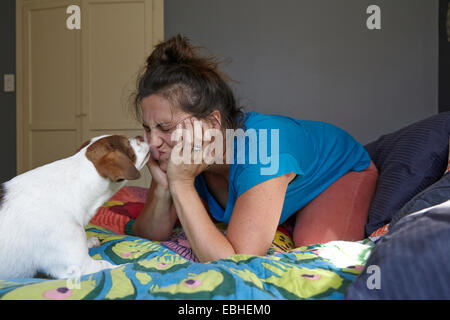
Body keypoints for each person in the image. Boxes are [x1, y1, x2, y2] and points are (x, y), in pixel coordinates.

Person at [126, 34, 378, 262]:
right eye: (148, 128)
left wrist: (181, 185)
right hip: (286, 167)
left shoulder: (265, 149)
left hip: (339, 170)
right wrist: (163, 185)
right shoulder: (185, 152)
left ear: (212, 123)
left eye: (165, 127)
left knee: (315, 254)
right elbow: (149, 235)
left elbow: (235, 262)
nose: (153, 142)